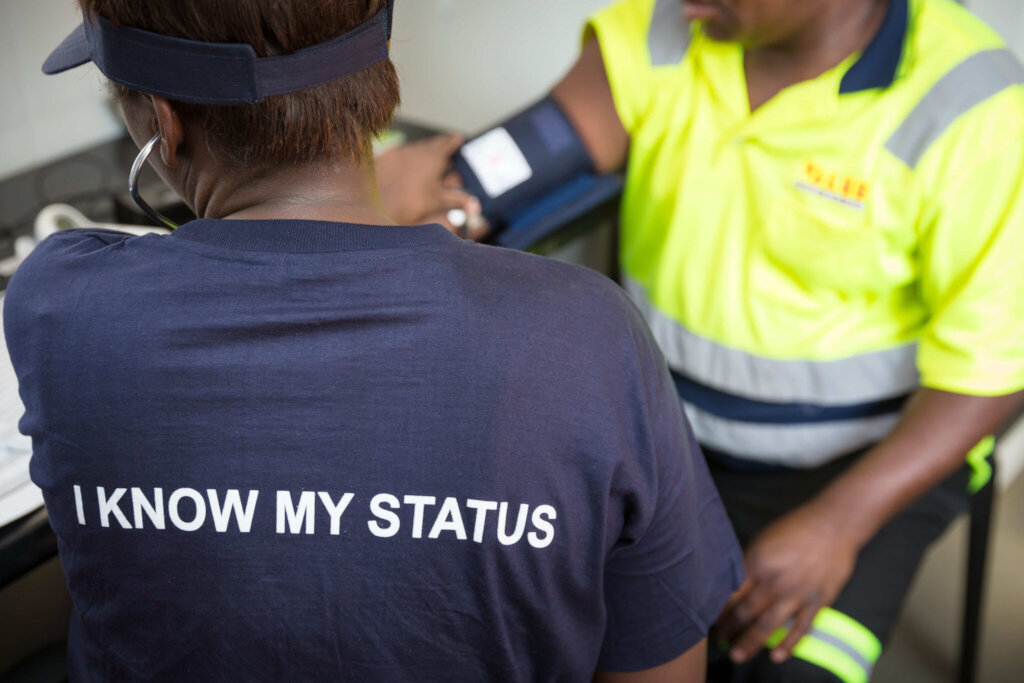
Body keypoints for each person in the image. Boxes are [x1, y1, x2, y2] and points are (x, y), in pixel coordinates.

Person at [2, 0, 744, 680]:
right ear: (377, 77)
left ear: (163, 120)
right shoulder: (586, 334)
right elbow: (661, 664)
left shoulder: (63, 304)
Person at [382, 0, 1024, 680]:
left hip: (856, 463)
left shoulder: (974, 109)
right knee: (498, 608)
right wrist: (458, 198)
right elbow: (510, 162)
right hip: (662, 434)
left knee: (786, 668)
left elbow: (989, 368)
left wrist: (838, 525)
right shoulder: (666, 29)